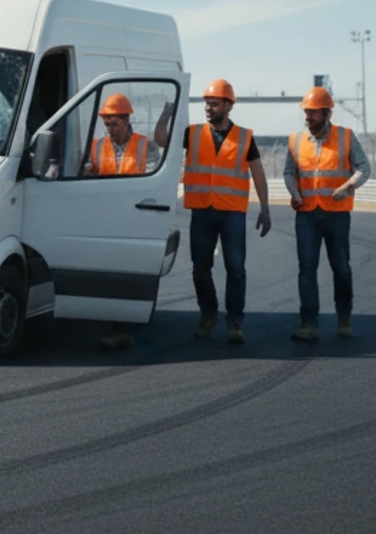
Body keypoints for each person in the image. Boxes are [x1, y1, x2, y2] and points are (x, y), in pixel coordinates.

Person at [182, 79, 273, 345]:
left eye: (214, 103)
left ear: (228, 105)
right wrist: (167, 111)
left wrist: (265, 209)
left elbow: (258, 173)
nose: (208, 108)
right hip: (202, 210)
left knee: (235, 268)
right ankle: (208, 313)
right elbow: (162, 139)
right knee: (200, 267)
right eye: (206, 103)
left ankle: (235, 322)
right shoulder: (193, 132)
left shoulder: (244, 137)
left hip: (232, 213)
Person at [285, 86, 372, 341]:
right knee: (307, 269)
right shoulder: (296, 140)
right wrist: (295, 193)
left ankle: (344, 318)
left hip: (337, 215)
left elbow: (364, 168)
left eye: (313, 113)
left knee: (341, 268)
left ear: (326, 113)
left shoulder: (346, 137)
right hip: (307, 215)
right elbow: (289, 172)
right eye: (306, 112)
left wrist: (348, 186)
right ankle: (308, 324)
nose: (308, 117)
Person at [87, 93, 169, 350]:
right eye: (106, 123)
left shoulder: (146, 146)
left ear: (126, 119)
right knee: (111, 274)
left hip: (137, 218)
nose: (109, 129)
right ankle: (119, 328)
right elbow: (89, 173)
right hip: (107, 220)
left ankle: (126, 325)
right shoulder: (97, 146)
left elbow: (155, 181)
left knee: (131, 274)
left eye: (114, 123)